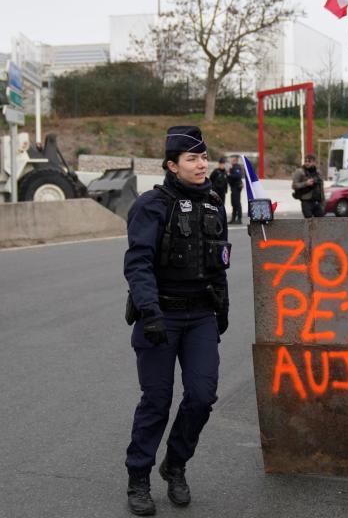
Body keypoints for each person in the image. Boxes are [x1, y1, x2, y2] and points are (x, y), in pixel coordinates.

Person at [122, 125, 230, 515]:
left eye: (204, 157)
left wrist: (223, 307)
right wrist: (150, 312)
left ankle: (176, 464)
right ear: (172, 165)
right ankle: (138, 479)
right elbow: (138, 264)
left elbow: (219, 261)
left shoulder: (215, 202)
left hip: (200, 314)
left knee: (202, 396)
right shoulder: (152, 206)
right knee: (157, 401)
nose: (202, 165)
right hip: (160, 315)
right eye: (192, 159)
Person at [292, 153, 326, 218]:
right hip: (306, 202)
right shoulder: (300, 172)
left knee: (320, 221)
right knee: (308, 221)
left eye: (309, 161)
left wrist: (323, 203)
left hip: (317, 202)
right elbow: (294, 185)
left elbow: (321, 188)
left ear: (314, 162)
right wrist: (305, 183)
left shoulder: (318, 173)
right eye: (306, 161)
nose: (307, 163)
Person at [226, 155, 244, 223]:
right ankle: (233, 218)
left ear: (235, 161)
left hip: (236, 187)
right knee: (233, 203)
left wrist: (229, 175)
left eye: (232, 160)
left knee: (237, 203)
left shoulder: (237, 167)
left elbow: (238, 175)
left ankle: (239, 219)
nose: (231, 161)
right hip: (233, 187)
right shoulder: (232, 167)